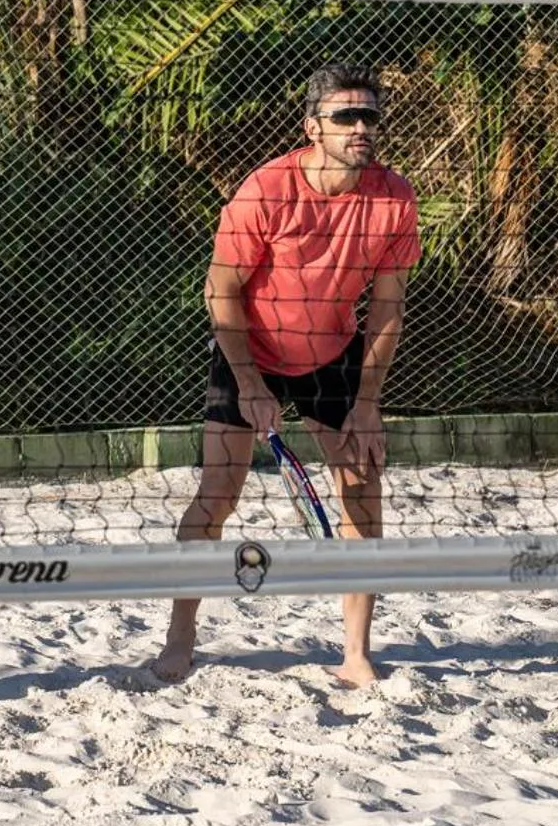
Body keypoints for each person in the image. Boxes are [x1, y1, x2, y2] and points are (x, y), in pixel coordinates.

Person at [151, 63, 420, 689]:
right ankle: (179, 638)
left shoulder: (394, 196)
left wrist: (368, 404)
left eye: (369, 116)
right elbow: (220, 289)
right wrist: (249, 383)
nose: (361, 127)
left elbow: (387, 308)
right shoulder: (266, 188)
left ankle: (355, 653)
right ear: (312, 126)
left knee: (361, 484)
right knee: (217, 496)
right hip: (251, 349)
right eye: (345, 116)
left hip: (331, 354)